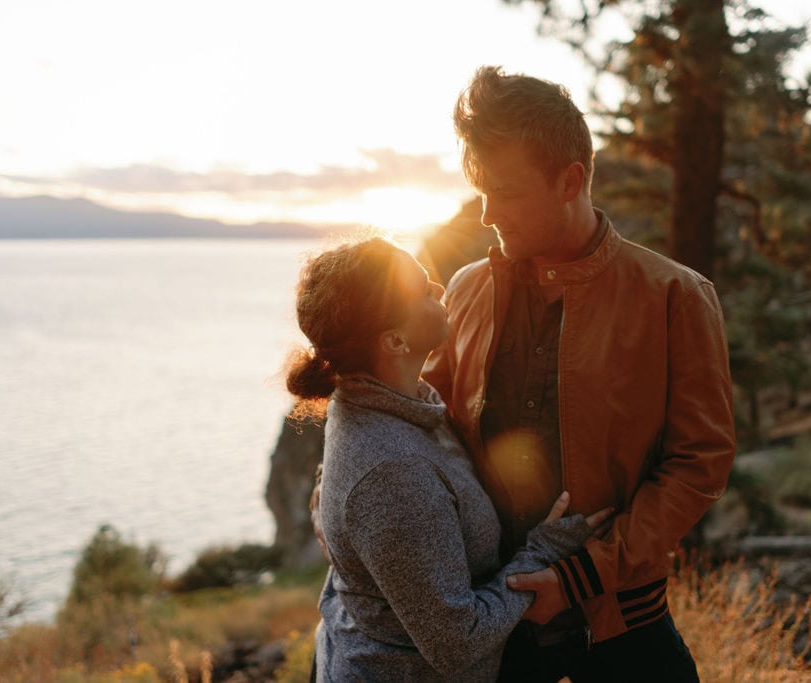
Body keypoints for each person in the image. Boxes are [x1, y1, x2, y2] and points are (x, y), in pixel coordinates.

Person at [417, 66, 737, 682]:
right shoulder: (465, 291)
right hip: (491, 629)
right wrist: (343, 474)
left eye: (505, 192)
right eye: (479, 189)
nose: (486, 214)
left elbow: (700, 465)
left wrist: (581, 576)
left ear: (571, 180)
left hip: (622, 629)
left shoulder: (676, 296)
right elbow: (422, 422)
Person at [286, 237, 613, 682]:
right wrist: (543, 550)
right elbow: (458, 641)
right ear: (395, 340)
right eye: (422, 291)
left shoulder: (378, 400)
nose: (440, 290)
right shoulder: (393, 473)